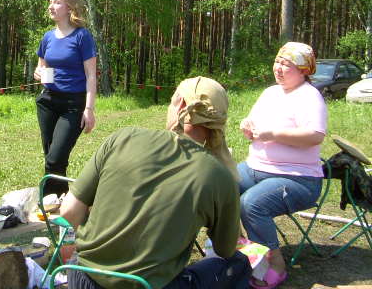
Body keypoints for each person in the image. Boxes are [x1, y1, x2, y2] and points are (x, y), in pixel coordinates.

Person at [60, 76, 251, 289]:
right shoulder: (219, 175)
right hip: (148, 286)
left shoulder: (123, 138)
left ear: (180, 104)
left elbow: (68, 211)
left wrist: (71, 257)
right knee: (239, 263)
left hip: (83, 277)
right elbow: (225, 249)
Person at [238, 42, 326, 289]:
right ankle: (237, 247)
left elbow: (315, 135)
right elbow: (252, 121)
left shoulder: (310, 96)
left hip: (297, 178)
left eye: (286, 64)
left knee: (251, 203)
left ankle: (275, 264)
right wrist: (247, 125)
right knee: (217, 187)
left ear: (303, 70)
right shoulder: (270, 93)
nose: (278, 68)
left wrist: (274, 134)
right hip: (254, 167)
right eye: (277, 61)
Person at [34, 0, 97, 197]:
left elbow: (91, 76)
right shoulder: (47, 37)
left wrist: (89, 109)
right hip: (48, 101)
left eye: (57, 2)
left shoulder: (82, 36)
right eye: (50, 2)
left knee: (55, 158)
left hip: (73, 105)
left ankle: (48, 199)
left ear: (69, 8)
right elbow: (41, 66)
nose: (51, 6)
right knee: (52, 158)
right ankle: (59, 202)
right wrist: (38, 72)